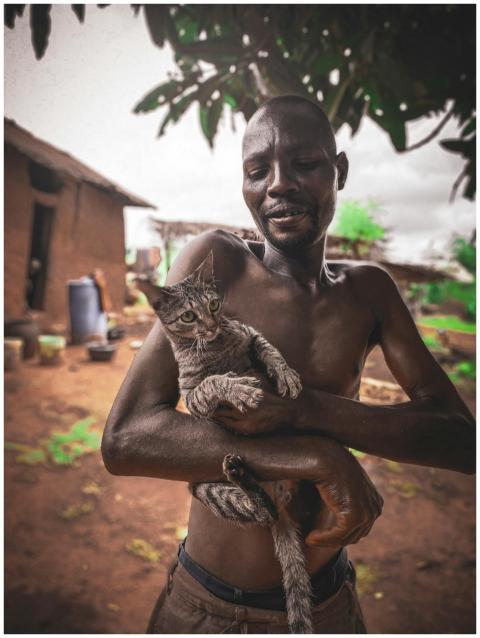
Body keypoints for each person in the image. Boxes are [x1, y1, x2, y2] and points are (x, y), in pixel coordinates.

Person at [102, 95, 475, 633]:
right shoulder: (216, 263)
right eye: (258, 170)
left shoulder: (369, 291)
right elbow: (126, 437)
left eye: (305, 164)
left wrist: (306, 410)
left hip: (326, 609)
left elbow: (460, 440)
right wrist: (317, 459)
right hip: (205, 609)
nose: (279, 184)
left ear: (338, 170)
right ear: (245, 184)